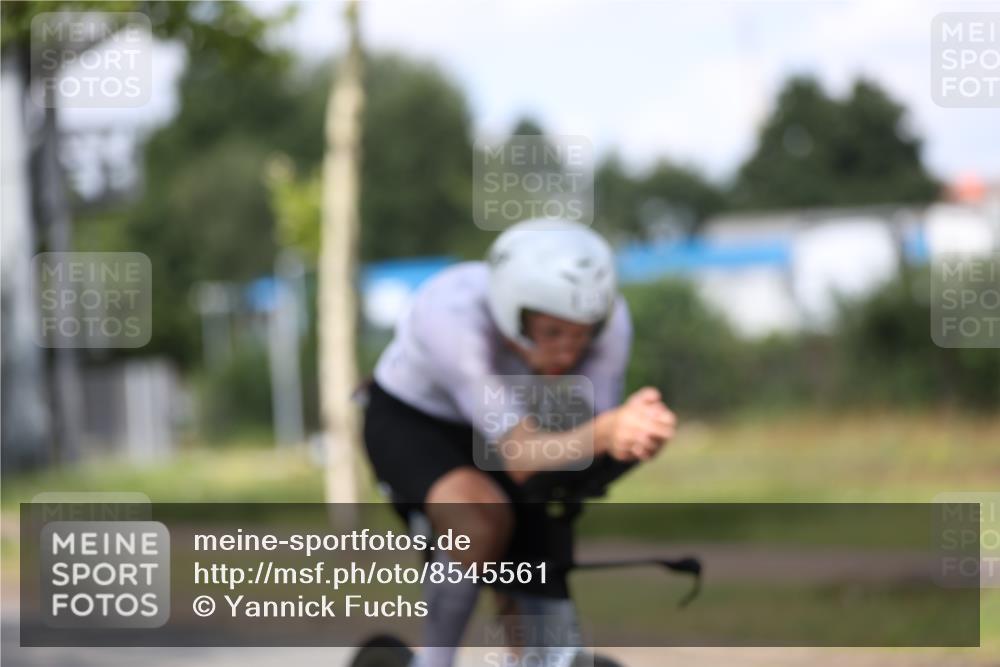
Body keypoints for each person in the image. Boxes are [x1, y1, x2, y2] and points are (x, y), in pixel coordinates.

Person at [362, 218, 676, 667]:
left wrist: (637, 437)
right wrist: (606, 431)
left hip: (523, 422)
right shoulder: (452, 314)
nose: (569, 353)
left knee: (532, 548)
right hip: (419, 423)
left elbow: (583, 443)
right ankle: (433, 661)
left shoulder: (611, 318)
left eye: (582, 335)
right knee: (481, 520)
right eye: (551, 333)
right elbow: (523, 454)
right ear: (512, 311)